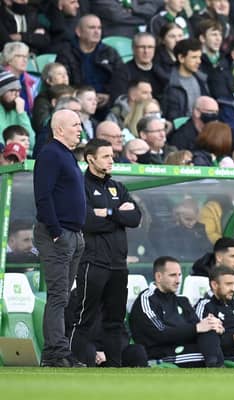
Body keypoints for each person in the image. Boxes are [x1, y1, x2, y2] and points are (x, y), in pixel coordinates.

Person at [69, 138, 142, 367]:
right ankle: (74, 362)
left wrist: (107, 212)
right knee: (84, 318)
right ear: (90, 159)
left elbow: (135, 218)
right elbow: (87, 222)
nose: (112, 160)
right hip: (93, 262)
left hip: (118, 265)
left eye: (112, 156)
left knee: (115, 321)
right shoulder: (80, 186)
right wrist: (118, 214)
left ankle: (114, 366)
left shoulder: (117, 187)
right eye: (106, 156)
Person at [33, 109, 86, 367]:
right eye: (75, 124)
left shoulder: (66, 155)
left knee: (63, 295)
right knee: (58, 294)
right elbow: (43, 196)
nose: (80, 128)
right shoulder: (51, 154)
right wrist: (55, 232)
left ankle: (58, 350)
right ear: (60, 129)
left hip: (73, 234)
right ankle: (55, 353)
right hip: (58, 234)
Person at [129, 256, 225, 367]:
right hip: (161, 353)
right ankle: (216, 369)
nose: (178, 280)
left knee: (210, 332)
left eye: (179, 275)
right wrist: (197, 328)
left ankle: (215, 368)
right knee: (210, 353)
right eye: (173, 275)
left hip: (185, 348)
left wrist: (214, 327)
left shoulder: (182, 301)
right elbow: (160, 334)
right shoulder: (147, 300)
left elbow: (198, 329)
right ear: (158, 277)